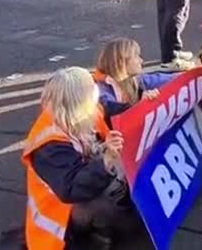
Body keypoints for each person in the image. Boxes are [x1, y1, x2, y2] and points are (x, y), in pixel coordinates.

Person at [22, 67, 138, 250]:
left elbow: (114, 111)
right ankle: (93, 236)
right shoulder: (49, 146)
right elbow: (72, 189)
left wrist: (143, 104)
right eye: (92, 90)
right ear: (80, 102)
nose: (97, 93)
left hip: (77, 182)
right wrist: (106, 162)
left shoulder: (82, 111)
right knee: (115, 215)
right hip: (59, 216)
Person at [93, 38, 174, 122]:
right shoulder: (101, 92)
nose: (141, 61)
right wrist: (141, 106)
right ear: (122, 61)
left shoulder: (136, 80)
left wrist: (187, 74)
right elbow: (116, 116)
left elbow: (164, 79)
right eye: (137, 56)